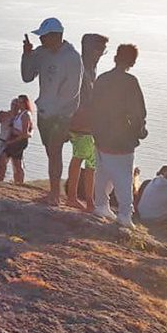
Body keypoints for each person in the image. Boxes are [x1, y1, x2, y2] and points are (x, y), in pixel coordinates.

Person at [21, 17, 83, 206]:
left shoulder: (72, 58)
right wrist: (27, 55)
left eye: (44, 37)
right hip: (44, 111)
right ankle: (54, 192)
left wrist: (60, 112)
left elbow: (73, 90)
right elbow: (27, 76)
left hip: (61, 115)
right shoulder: (42, 53)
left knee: (55, 151)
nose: (41, 40)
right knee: (50, 152)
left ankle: (55, 194)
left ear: (56, 36)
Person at [91, 44, 147, 228]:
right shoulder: (130, 81)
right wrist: (139, 131)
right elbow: (138, 112)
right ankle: (124, 214)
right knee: (123, 177)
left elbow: (93, 106)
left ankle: (101, 205)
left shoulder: (102, 79)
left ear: (116, 57)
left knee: (103, 172)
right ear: (133, 61)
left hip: (101, 135)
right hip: (122, 138)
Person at [65, 33, 109, 211]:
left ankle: (89, 200)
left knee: (91, 162)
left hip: (89, 122)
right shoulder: (81, 68)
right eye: (99, 50)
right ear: (91, 49)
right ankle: (73, 197)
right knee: (80, 157)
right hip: (81, 122)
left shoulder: (90, 68)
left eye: (103, 50)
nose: (100, 54)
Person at [2, 95, 34, 185]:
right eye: (18, 102)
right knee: (14, 162)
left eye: (21, 102)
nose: (19, 104)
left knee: (12, 161)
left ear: (25, 103)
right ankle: (17, 182)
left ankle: (19, 182)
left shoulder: (25, 115)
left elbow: (24, 133)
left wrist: (13, 138)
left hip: (19, 141)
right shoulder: (20, 114)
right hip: (15, 140)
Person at [0, 98, 18, 181]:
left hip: (14, 142)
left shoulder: (20, 117)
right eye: (13, 104)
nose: (14, 106)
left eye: (16, 105)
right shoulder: (5, 114)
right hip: (2, 140)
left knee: (16, 164)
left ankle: (17, 183)